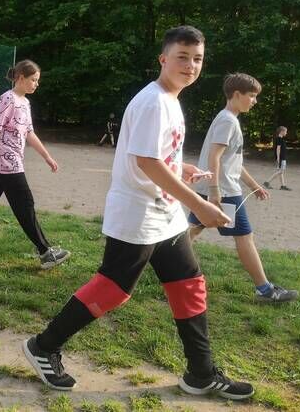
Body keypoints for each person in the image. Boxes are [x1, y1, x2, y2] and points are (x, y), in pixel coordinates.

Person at [22, 26, 255, 401]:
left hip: (166, 216)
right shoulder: (154, 102)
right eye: (182, 57)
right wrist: (199, 204)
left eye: (197, 59)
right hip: (138, 216)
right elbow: (146, 162)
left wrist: (181, 168)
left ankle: (200, 373)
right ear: (163, 59)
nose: (190, 65)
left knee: (189, 286)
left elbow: (156, 158)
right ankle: (43, 346)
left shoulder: (170, 99)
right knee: (112, 289)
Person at [189, 75, 298, 303]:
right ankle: (265, 291)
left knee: (194, 229)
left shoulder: (228, 119)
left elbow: (233, 162)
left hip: (214, 187)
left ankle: (162, 261)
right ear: (237, 94)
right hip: (224, 191)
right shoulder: (228, 121)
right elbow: (214, 157)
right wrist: (215, 191)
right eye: (252, 96)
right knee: (244, 237)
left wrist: (254, 186)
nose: (255, 101)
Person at [0, 60, 70, 268]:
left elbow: (29, 132)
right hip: (7, 163)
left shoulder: (25, 102)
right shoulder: (8, 99)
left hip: (8, 164)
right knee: (25, 204)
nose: (36, 84)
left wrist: (47, 156)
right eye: (33, 80)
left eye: (37, 81)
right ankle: (45, 252)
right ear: (21, 78)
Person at [263, 126, 291, 190]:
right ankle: (267, 182)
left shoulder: (280, 139)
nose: (286, 133)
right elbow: (278, 149)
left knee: (280, 172)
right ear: (282, 132)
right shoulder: (279, 139)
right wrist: (278, 158)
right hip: (281, 158)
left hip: (282, 157)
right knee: (281, 171)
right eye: (286, 131)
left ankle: (283, 186)